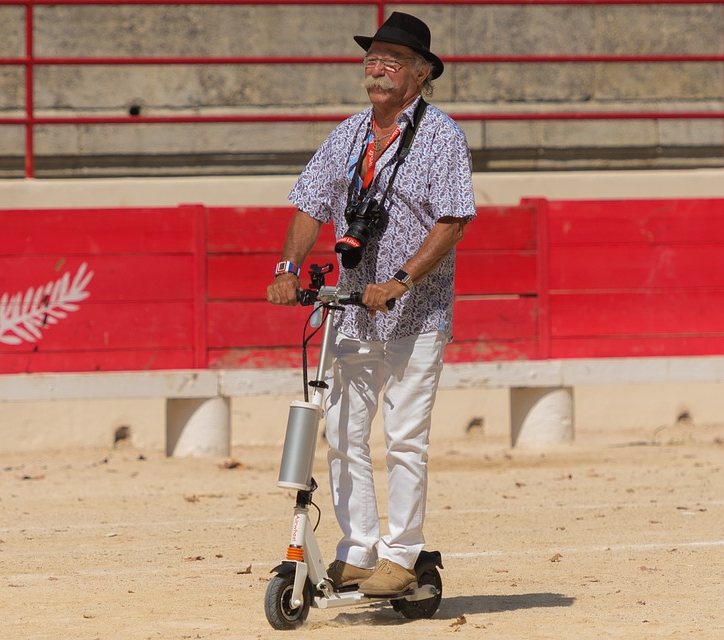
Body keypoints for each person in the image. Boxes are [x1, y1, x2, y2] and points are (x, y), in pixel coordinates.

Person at [266, 12, 476, 597]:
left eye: (394, 60)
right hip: (352, 308)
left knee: (405, 437)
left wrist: (402, 279)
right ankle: (357, 548)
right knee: (343, 431)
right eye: (373, 58)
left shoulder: (442, 136)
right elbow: (311, 203)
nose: (378, 68)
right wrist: (286, 268)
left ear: (422, 74)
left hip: (415, 312)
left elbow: (453, 220)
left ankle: (403, 552)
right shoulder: (350, 132)